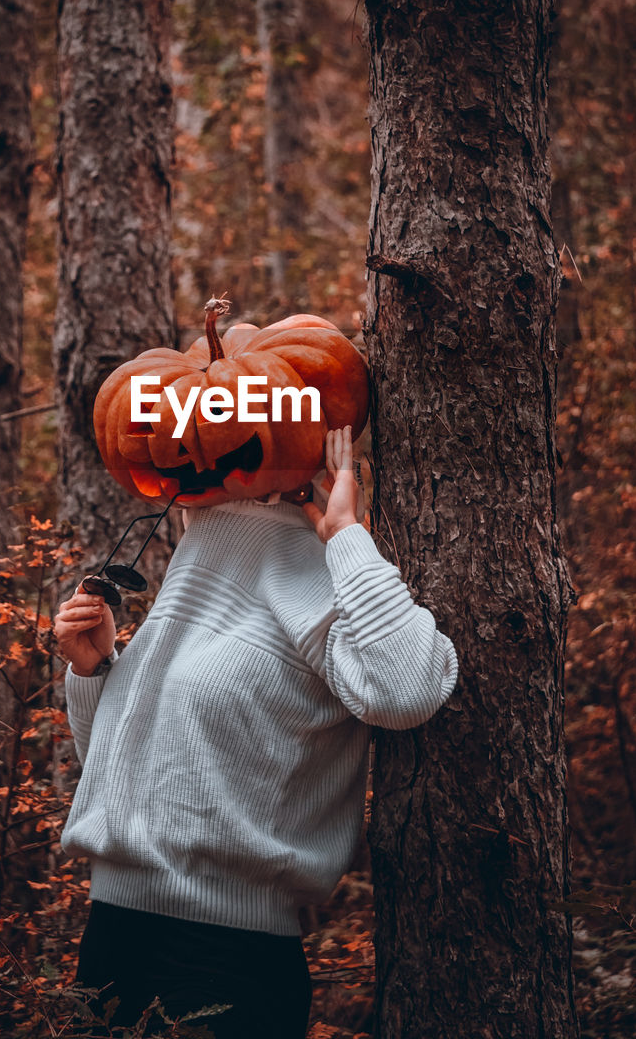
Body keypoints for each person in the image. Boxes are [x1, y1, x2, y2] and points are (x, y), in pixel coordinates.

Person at [55, 426, 458, 1038]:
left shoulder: (306, 568)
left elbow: (409, 687)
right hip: (112, 941)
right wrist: (94, 672)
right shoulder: (202, 555)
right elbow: (136, 771)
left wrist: (345, 536)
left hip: (225, 961)